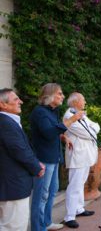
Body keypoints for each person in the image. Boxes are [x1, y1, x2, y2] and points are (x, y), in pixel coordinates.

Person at [31, 83, 82, 231]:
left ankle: (46, 222)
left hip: (54, 156)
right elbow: (47, 132)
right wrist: (72, 120)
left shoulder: (53, 110)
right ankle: (38, 227)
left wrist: (63, 137)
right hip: (43, 158)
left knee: (52, 191)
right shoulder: (39, 112)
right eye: (59, 94)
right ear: (49, 95)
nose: (63, 96)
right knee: (42, 195)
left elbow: (53, 129)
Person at [0, 88, 45, 230]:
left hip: (11, 184)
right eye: (15, 99)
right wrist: (37, 167)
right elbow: (19, 150)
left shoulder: (7, 121)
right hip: (13, 186)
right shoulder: (5, 123)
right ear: (3, 104)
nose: (21, 101)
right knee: (14, 226)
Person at [63, 93, 100, 228]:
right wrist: (92, 130)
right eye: (83, 99)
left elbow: (96, 126)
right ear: (76, 102)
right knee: (74, 185)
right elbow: (88, 133)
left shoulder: (80, 113)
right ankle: (69, 216)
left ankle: (79, 209)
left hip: (85, 156)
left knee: (81, 183)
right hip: (77, 156)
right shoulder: (69, 116)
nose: (85, 101)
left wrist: (93, 129)